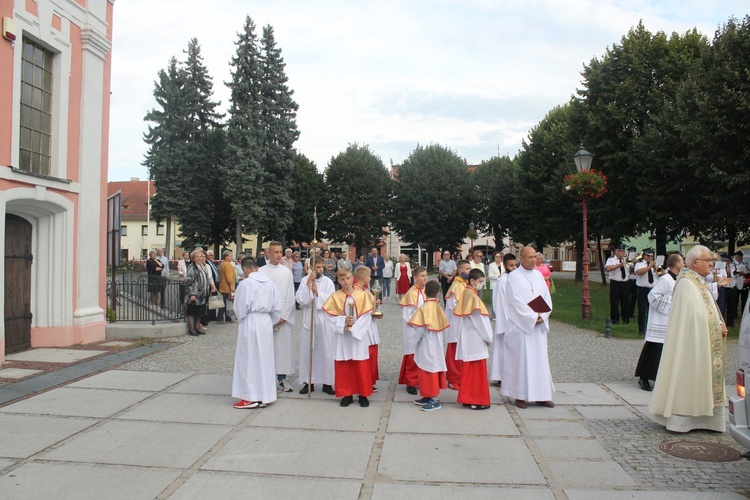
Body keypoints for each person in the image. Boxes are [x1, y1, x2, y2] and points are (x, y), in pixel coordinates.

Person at [649, 245, 728, 433]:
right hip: (691, 345)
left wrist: (719, 323)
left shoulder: (698, 281)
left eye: (712, 260)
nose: (712, 263)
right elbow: (692, 317)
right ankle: (683, 419)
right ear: (695, 263)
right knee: (688, 379)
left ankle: (708, 419)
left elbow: (706, 310)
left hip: (703, 342)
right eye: (708, 260)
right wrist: (716, 326)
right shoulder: (686, 284)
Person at [502, 246, 554, 409]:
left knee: (539, 360)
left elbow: (546, 298)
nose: (533, 260)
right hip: (522, 327)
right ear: (521, 258)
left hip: (537, 327)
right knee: (522, 361)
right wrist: (532, 317)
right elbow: (514, 301)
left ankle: (542, 394)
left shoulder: (539, 276)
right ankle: (520, 395)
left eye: (535, 257)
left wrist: (542, 316)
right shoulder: (514, 277)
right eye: (530, 257)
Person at [231, 256, 281, 409]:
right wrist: (269, 320)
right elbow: (277, 307)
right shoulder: (270, 283)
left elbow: (239, 307)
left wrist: (243, 320)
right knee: (264, 359)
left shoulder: (246, 283)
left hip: (251, 321)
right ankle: (265, 395)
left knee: (249, 358)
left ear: (245, 269)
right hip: (265, 321)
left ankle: (249, 396)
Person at [322, 268, 374, 407]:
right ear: (338, 281)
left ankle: (363, 394)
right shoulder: (335, 297)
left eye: (348, 278)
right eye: (342, 279)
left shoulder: (362, 295)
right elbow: (329, 316)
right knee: (344, 365)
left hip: (358, 337)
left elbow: (366, 315)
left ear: (353, 279)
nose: (346, 281)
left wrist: (356, 329)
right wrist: (343, 321)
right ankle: (347, 394)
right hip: (343, 337)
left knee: (360, 364)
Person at [634, 253, 684, 391]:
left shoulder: (677, 280)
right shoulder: (665, 279)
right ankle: (644, 377)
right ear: (677, 264)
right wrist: (672, 304)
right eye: (682, 262)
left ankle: (662, 377)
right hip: (660, 319)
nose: (684, 264)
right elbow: (652, 296)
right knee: (654, 350)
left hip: (670, 320)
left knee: (665, 351)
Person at [453, 268, 493, 410]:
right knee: (477, 372)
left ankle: (467, 397)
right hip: (475, 337)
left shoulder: (466, 293)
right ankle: (477, 399)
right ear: (472, 281)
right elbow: (480, 320)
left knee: (469, 371)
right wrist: (488, 337)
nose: (482, 284)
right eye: (480, 281)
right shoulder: (473, 297)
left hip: (468, 336)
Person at [259, 241, 296, 392]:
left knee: (282, 349)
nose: (279, 255)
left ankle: (282, 379)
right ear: (268, 253)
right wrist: (267, 314)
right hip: (266, 315)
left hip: (283, 316)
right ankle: (265, 378)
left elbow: (290, 295)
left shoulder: (286, 272)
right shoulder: (261, 272)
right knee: (266, 348)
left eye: (280, 252)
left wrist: (284, 315)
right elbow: (260, 294)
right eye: (276, 252)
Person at [296, 259, 335, 396]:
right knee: (309, 349)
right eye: (318, 267)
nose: (321, 270)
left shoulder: (328, 282)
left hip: (323, 319)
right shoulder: (304, 280)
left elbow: (332, 301)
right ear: (311, 268)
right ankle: (308, 382)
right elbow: (301, 300)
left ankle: (327, 382)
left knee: (326, 350)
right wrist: (308, 284)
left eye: (322, 267)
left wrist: (318, 293)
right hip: (310, 318)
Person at [409, 280, 449, 412]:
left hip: (426, 342)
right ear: (437, 293)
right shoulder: (437, 307)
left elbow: (419, 328)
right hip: (435, 341)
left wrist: (413, 342)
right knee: (431, 367)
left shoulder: (424, 308)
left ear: (425, 292)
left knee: (428, 369)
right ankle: (427, 395)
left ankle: (435, 399)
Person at [398, 266, 428, 395]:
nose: (425, 278)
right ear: (415, 278)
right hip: (413, 328)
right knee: (412, 354)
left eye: (426, 275)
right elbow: (408, 314)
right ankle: (410, 381)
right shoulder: (412, 293)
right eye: (422, 276)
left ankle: (420, 379)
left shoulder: (426, 291)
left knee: (422, 354)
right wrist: (417, 325)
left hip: (425, 327)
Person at [443, 259, 471, 390]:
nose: (469, 272)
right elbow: (453, 305)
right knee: (454, 351)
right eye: (467, 269)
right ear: (460, 271)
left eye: (470, 269)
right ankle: (453, 379)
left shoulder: (466, 284)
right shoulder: (456, 286)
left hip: (464, 323)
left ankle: (462, 377)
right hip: (456, 324)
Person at [490, 253, 517, 386]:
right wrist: (506, 320)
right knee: (503, 347)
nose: (514, 268)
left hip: (512, 319)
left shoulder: (512, 279)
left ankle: (508, 374)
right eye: (511, 266)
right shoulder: (502, 282)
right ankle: (501, 375)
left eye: (515, 265)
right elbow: (501, 303)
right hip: (506, 320)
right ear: (505, 266)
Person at [355, 266, 381, 392]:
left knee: (372, 356)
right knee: (367, 356)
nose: (370, 278)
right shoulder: (358, 292)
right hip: (365, 329)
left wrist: (376, 305)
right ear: (364, 277)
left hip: (371, 326)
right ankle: (365, 382)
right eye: (369, 275)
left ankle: (370, 380)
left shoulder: (366, 291)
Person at [184, 249, 214, 336]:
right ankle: (192, 329)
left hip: (202, 294)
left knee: (199, 312)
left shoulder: (202, 266)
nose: (200, 258)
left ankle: (197, 327)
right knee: (192, 312)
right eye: (197, 257)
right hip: (195, 294)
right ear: (193, 258)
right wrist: (192, 294)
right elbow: (189, 282)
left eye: (201, 256)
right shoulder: (191, 267)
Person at [605, 245, 631, 324]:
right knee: (614, 301)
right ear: (616, 252)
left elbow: (630, 269)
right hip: (615, 283)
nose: (621, 253)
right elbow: (608, 268)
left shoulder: (625, 260)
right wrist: (619, 265)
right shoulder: (611, 259)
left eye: (622, 251)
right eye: (620, 251)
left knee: (626, 301)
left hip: (625, 283)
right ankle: (615, 319)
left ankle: (626, 318)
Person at [633, 248, 657, 335]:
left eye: (651, 256)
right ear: (644, 256)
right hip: (642, 289)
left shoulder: (654, 265)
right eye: (648, 256)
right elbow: (639, 272)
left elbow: (662, 274)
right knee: (642, 310)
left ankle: (650, 328)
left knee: (651, 310)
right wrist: (650, 266)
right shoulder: (640, 264)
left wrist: (655, 268)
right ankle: (642, 329)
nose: (650, 257)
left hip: (652, 289)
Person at [727, 251, 750, 327]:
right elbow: (733, 273)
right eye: (740, 256)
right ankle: (734, 315)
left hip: (744, 284)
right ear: (736, 257)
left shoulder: (744, 264)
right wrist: (739, 272)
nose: (741, 258)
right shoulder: (732, 265)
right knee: (735, 300)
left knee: (744, 299)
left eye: (742, 257)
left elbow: (748, 273)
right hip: (736, 284)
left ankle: (744, 313)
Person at [217, 250, 236, 324]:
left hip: (224, 286)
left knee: (226, 302)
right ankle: (221, 317)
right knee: (225, 303)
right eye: (230, 256)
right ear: (226, 257)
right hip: (227, 287)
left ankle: (227, 317)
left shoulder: (223, 264)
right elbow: (229, 276)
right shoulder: (227, 265)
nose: (231, 257)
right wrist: (231, 285)